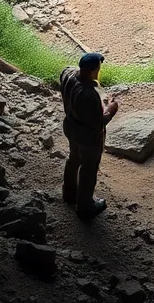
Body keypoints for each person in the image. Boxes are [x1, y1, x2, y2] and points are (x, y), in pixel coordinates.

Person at [59, 52, 120, 220]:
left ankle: (69, 193)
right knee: (88, 169)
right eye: (98, 69)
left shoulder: (68, 74)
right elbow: (99, 122)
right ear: (93, 71)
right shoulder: (88, 95)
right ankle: (85, 207)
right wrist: (112, 108)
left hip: (70, 127)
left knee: (73, 159)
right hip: (88, 138)